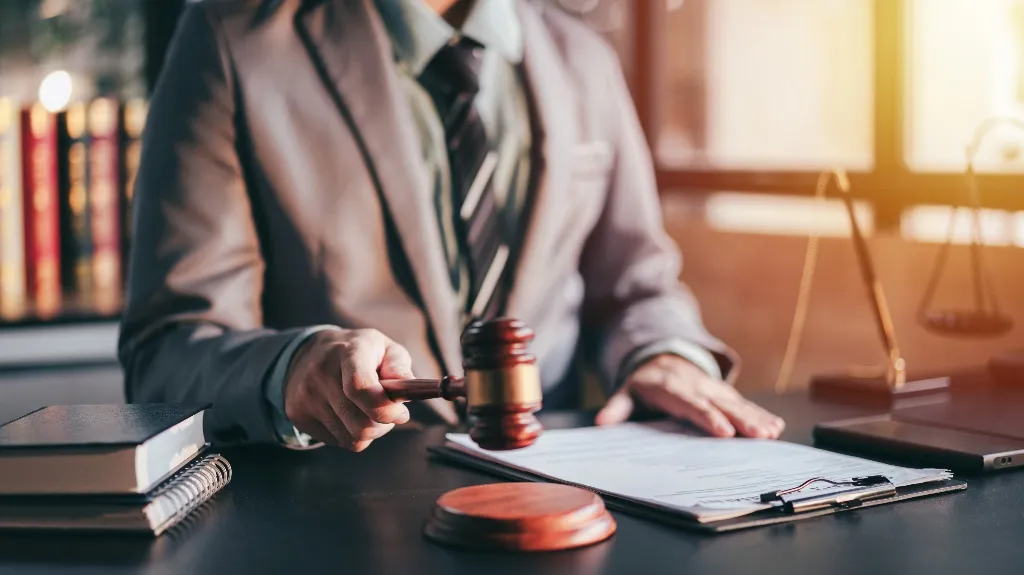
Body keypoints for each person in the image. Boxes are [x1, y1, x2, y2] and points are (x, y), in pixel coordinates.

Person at [119, 0, 785, 451]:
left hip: (560, 495)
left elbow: (638, 288)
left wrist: (663, 351)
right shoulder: (234, 42)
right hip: (340, 518)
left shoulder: (585, 59)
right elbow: (168, 350)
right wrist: (292, 369)